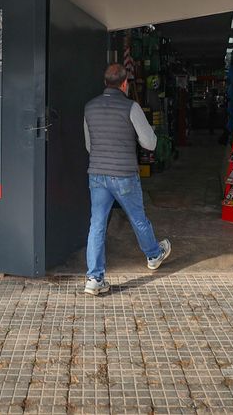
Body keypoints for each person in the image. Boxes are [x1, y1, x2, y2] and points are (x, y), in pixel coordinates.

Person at [81, 63, 171, 295]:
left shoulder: (89, 107)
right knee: (137, 218)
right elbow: (149, 143)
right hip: (124, 175)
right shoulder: (131, 107)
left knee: (97, 224)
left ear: (105, 83)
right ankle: (153, 255)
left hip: (97, 174)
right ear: (124, 84)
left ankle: (94, 278)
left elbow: (89, 146)